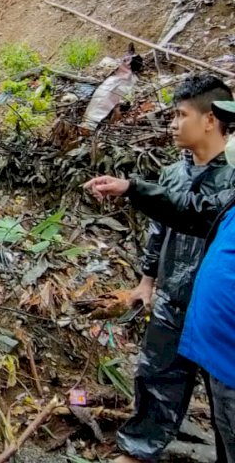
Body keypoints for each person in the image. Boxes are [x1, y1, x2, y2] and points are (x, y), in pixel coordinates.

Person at [85, 96, 235, 463]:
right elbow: (162, 229)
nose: (172, 123)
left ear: (210, 119)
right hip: (177, 297)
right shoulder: (174, 173)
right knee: (156, 376)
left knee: (225, 401)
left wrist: (132, 188)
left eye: (181, 115)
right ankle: (139, 448)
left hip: (217, 317)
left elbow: (194, 212)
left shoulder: (230, 178)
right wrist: (147, 281)